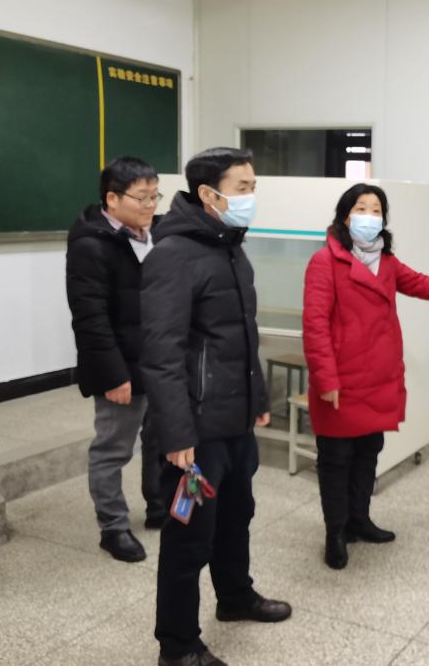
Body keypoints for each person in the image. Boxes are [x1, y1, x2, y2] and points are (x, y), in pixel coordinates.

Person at [141, 148, 291, 666]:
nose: (251, 197)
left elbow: (240, 338)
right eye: (242, 188)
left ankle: (235, 597)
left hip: (235, 421)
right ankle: (178, 645)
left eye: (253, 187)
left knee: (236, 516)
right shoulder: (173, 255)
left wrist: (258, 399)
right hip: (196, 429)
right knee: (189, 538)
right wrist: (176, 434)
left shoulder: (231, 247)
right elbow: (161, 353)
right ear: (209, 194)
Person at [302, 183, 429, 570]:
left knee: (367, 454)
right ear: (345, 217)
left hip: (378, 379)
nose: (369, 216)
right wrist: (326, 380)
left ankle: (359, 521)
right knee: (336, 460)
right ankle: (335, 532)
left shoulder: (387, 263)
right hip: (341, 382)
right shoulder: (325, 262)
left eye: (377, 210)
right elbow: (315, 325)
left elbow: (425, 284)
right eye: (362, 208)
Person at [66, 157, 165, 563]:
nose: (151, 205)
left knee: (160, 438)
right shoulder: (91, 244)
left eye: (155, 196)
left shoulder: (155, 234)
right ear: (112, 198)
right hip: (120, 366)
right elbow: (90, 317)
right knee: (113, 449)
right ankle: (113, 527)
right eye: (142, 198)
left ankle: (158, 506)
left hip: (159, 361)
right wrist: (113, 375)